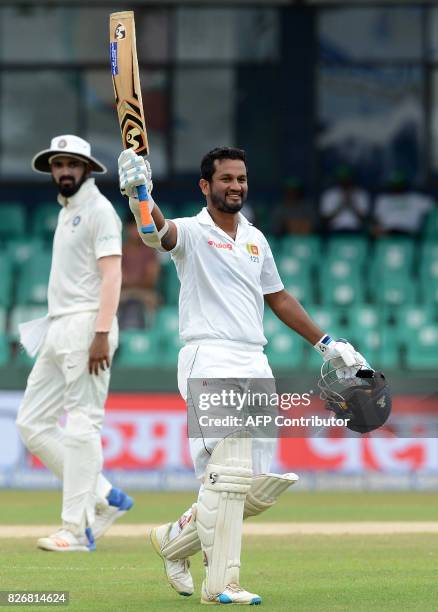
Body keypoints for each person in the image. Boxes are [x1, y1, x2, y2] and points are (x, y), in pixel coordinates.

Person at [118, 146, 369, 605]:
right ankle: (222, 585)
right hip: (209, 357)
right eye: (226, 179)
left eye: (241, 178)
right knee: (230, 475)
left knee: (253, 487)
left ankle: (173, 542)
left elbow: (278, 298)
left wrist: (330, 346)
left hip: (255, 360)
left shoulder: (255, 239)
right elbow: (156, 233)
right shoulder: (192, 232)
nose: (236, 186)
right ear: (205, 186)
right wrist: (139, 194)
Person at [16, 135, 133, 552]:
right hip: (58, 326)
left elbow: (113, 275)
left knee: (82, 425)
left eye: (72, 164)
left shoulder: (100, 211)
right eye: (58, 164)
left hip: (88, 326)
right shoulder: (68, 212)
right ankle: (104, 495)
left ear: (87, 169)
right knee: (32, 423)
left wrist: (101, 332)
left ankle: (75, 529)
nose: (64, 171)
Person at [118, 217, 161, 330]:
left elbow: (151, 280)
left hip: (145, 293)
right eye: (133, 227)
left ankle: (150, 338)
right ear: (127, 228)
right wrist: (137, 281)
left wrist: (130, 281)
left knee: (153, 301)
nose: (136, 231)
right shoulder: (120, 250)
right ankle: (114, 335)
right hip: (123, 293)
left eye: (138, 227)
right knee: (110, 300)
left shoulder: (150, 252)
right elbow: (118, 279)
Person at [372, 171, 433, 237]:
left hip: (410, 233)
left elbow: (433, 206)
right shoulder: (383, 199)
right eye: (395, 185)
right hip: (388, 232)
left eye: (399, 185)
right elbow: (377, 220)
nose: (397, 188)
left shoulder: (415, 198)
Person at [319, 165, 370, 233]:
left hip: (357, 231)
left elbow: (365, 220)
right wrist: (341, 204)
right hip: (334, 231)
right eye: (342, 178)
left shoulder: (361, 194)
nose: (344, 181)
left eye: (347, 178)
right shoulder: (329, 194)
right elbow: (324, 220)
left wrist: (352, 204)